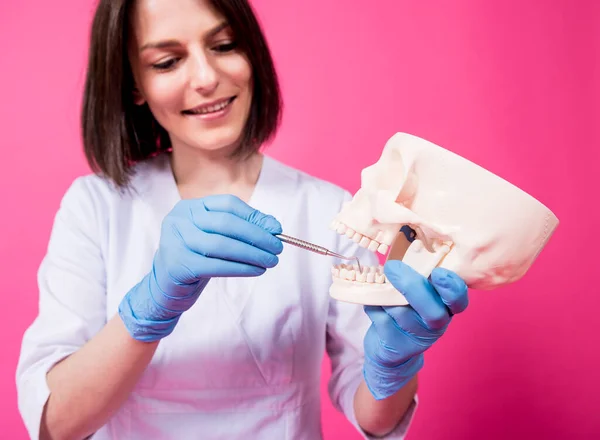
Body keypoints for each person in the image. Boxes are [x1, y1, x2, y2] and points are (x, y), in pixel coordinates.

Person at [15, 0, 470, 439]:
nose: (206, 78)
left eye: (225, 45)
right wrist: (148, 310)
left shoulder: (329, 210)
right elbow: (56, 424)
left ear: (251, 52)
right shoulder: (96, 206)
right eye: (168, 61)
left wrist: (394, 363)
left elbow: (374, 416)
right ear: (134, 84)